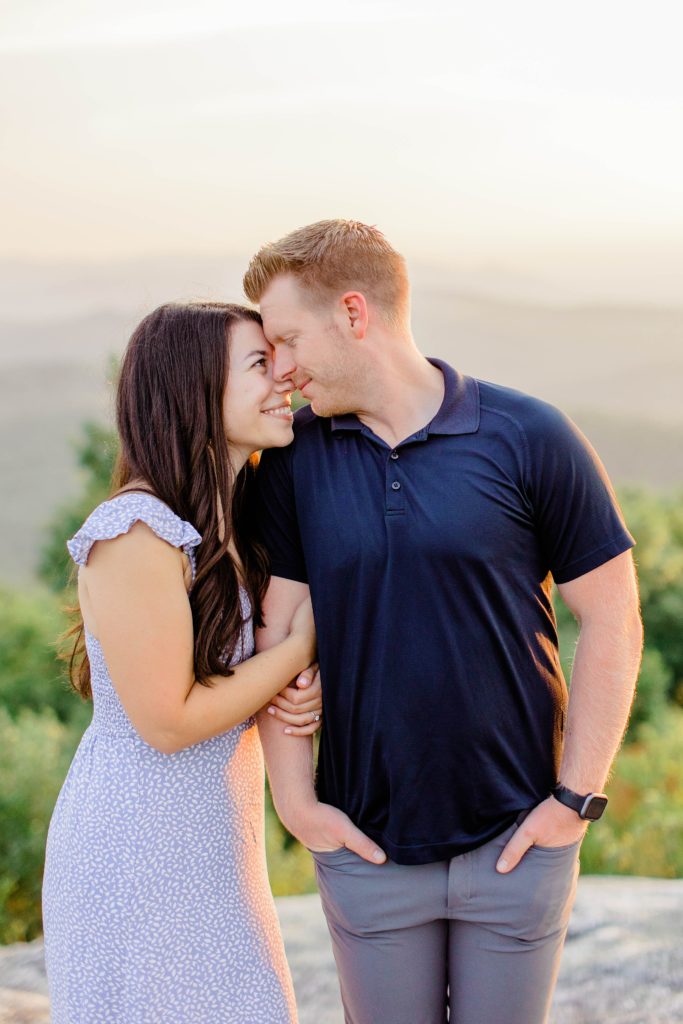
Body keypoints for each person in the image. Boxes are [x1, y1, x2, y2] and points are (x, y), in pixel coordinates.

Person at [243, 220, 644, 1024]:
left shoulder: (529, 436)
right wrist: (296, 805)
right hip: (367, 849)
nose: (279, 370)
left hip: (518, 843)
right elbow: (277, 630)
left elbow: (612, 619)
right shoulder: (293, 459)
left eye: (286, 339)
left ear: (353, 314)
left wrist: (575, 798)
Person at [42, 301, 324, 1024]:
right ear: (193, 388)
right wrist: (295, 649)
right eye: (259, 365)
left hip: (206, 849)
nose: (282, 377)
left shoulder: (222, 521)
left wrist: (292, 689)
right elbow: (169, 720)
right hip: (137, 853)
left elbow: (222, 680)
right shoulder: (135, 533)